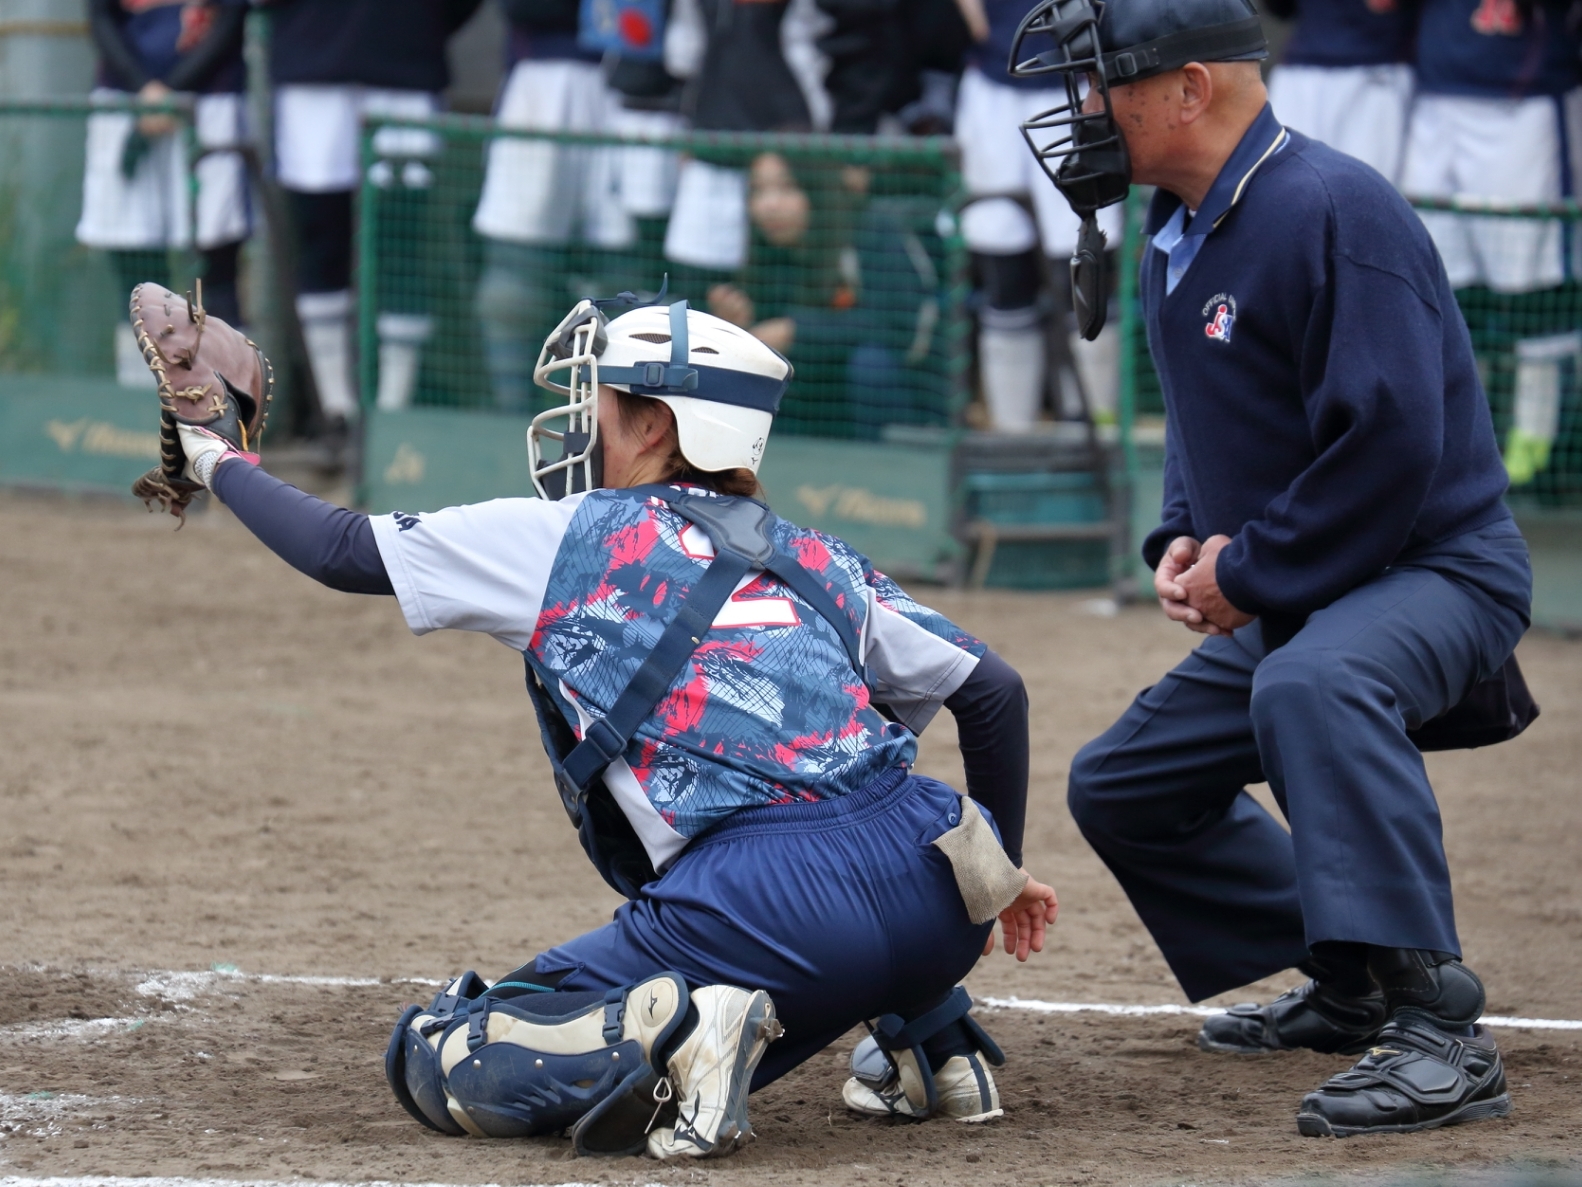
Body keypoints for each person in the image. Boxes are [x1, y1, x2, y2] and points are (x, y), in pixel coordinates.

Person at [156, 292, 1059, 1153]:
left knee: (443, 1055)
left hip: (771, 900)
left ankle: (686, 1040)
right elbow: (994, 691)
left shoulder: (568, 533)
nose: (589, 425)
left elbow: (340, 550)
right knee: (859, 827)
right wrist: (993, 876)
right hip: (935, 872)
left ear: (658, 425)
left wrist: (214, 455)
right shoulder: (815, 552)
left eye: (608, 405)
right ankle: (939, 1047)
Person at [1014, 0, 1532, 1138]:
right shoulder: (1177, 221)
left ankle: (1437, 1028)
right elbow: (1206, 434)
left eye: (1102, 83)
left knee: (1311, 681)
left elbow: (1392, 443)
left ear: (1191, 89)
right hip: (1310, 579)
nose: (1080, 110)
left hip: (1437, 565)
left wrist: (1251, 569)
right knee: (1124, 784)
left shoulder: (1331, 205)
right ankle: (1347, 979)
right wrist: (1186, 540)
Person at [262, 0, 483, 426]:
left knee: (402, 241)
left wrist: (420, 23)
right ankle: (336, 411)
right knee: (320, 237)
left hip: (404, 67)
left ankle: (392, 416)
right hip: (311, 68)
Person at [1398, 0, 1582, 489]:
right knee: (1440, 284)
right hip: (1435, 101)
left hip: (1524, 107)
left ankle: (1542, 439)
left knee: (1532, 286)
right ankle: (1459, 436)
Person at [952, 0, 1123, 431]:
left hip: (1079, 80)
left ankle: (1092, 432)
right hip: (995, 82)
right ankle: (1015, 439)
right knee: (1003, 273)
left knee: (1084, 272)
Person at [79, 0, 250, 385]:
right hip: (126, 99)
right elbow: (100, 15)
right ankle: (139, 409)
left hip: (210, 102)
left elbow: (231, 18)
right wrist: (146, 91)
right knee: (137, 269)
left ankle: (226, 415)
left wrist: (172, 91)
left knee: (215, 261)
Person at [1262, 0, 1418, 182]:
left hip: (1375, 68)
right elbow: (1279, 8)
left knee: (1364, 187)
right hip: (1302, 69)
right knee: (1281, 180)